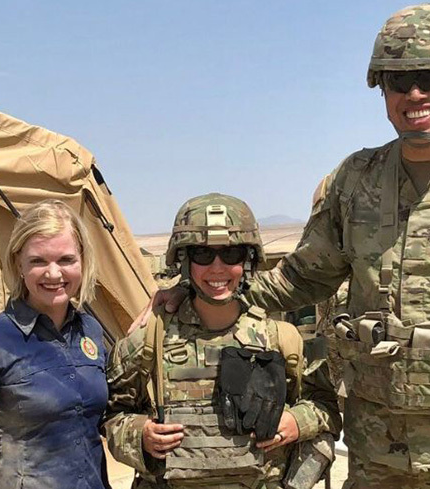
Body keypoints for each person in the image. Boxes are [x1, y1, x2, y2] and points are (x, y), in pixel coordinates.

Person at [141, 4, 430, 489]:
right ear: (383, 90)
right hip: (378, 454)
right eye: (398, 81)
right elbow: (302, 277)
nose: (414, 94)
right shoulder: (357, 180)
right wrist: (205, 289)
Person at [103, 193, 341, 489]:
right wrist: (140, 435)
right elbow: (110, 416)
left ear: (248, 261)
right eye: (203, 255)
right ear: (184, 261)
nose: (217, 268)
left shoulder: (281, 340)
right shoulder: (147, 343)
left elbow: (326, 409)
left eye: (231, 255)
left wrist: (296, 422)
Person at [0, 199, 108, 489]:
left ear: (83, 262)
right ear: (18, 264)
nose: (53, 274)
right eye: (38, 261)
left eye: (66, 260)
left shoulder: (91, 331)